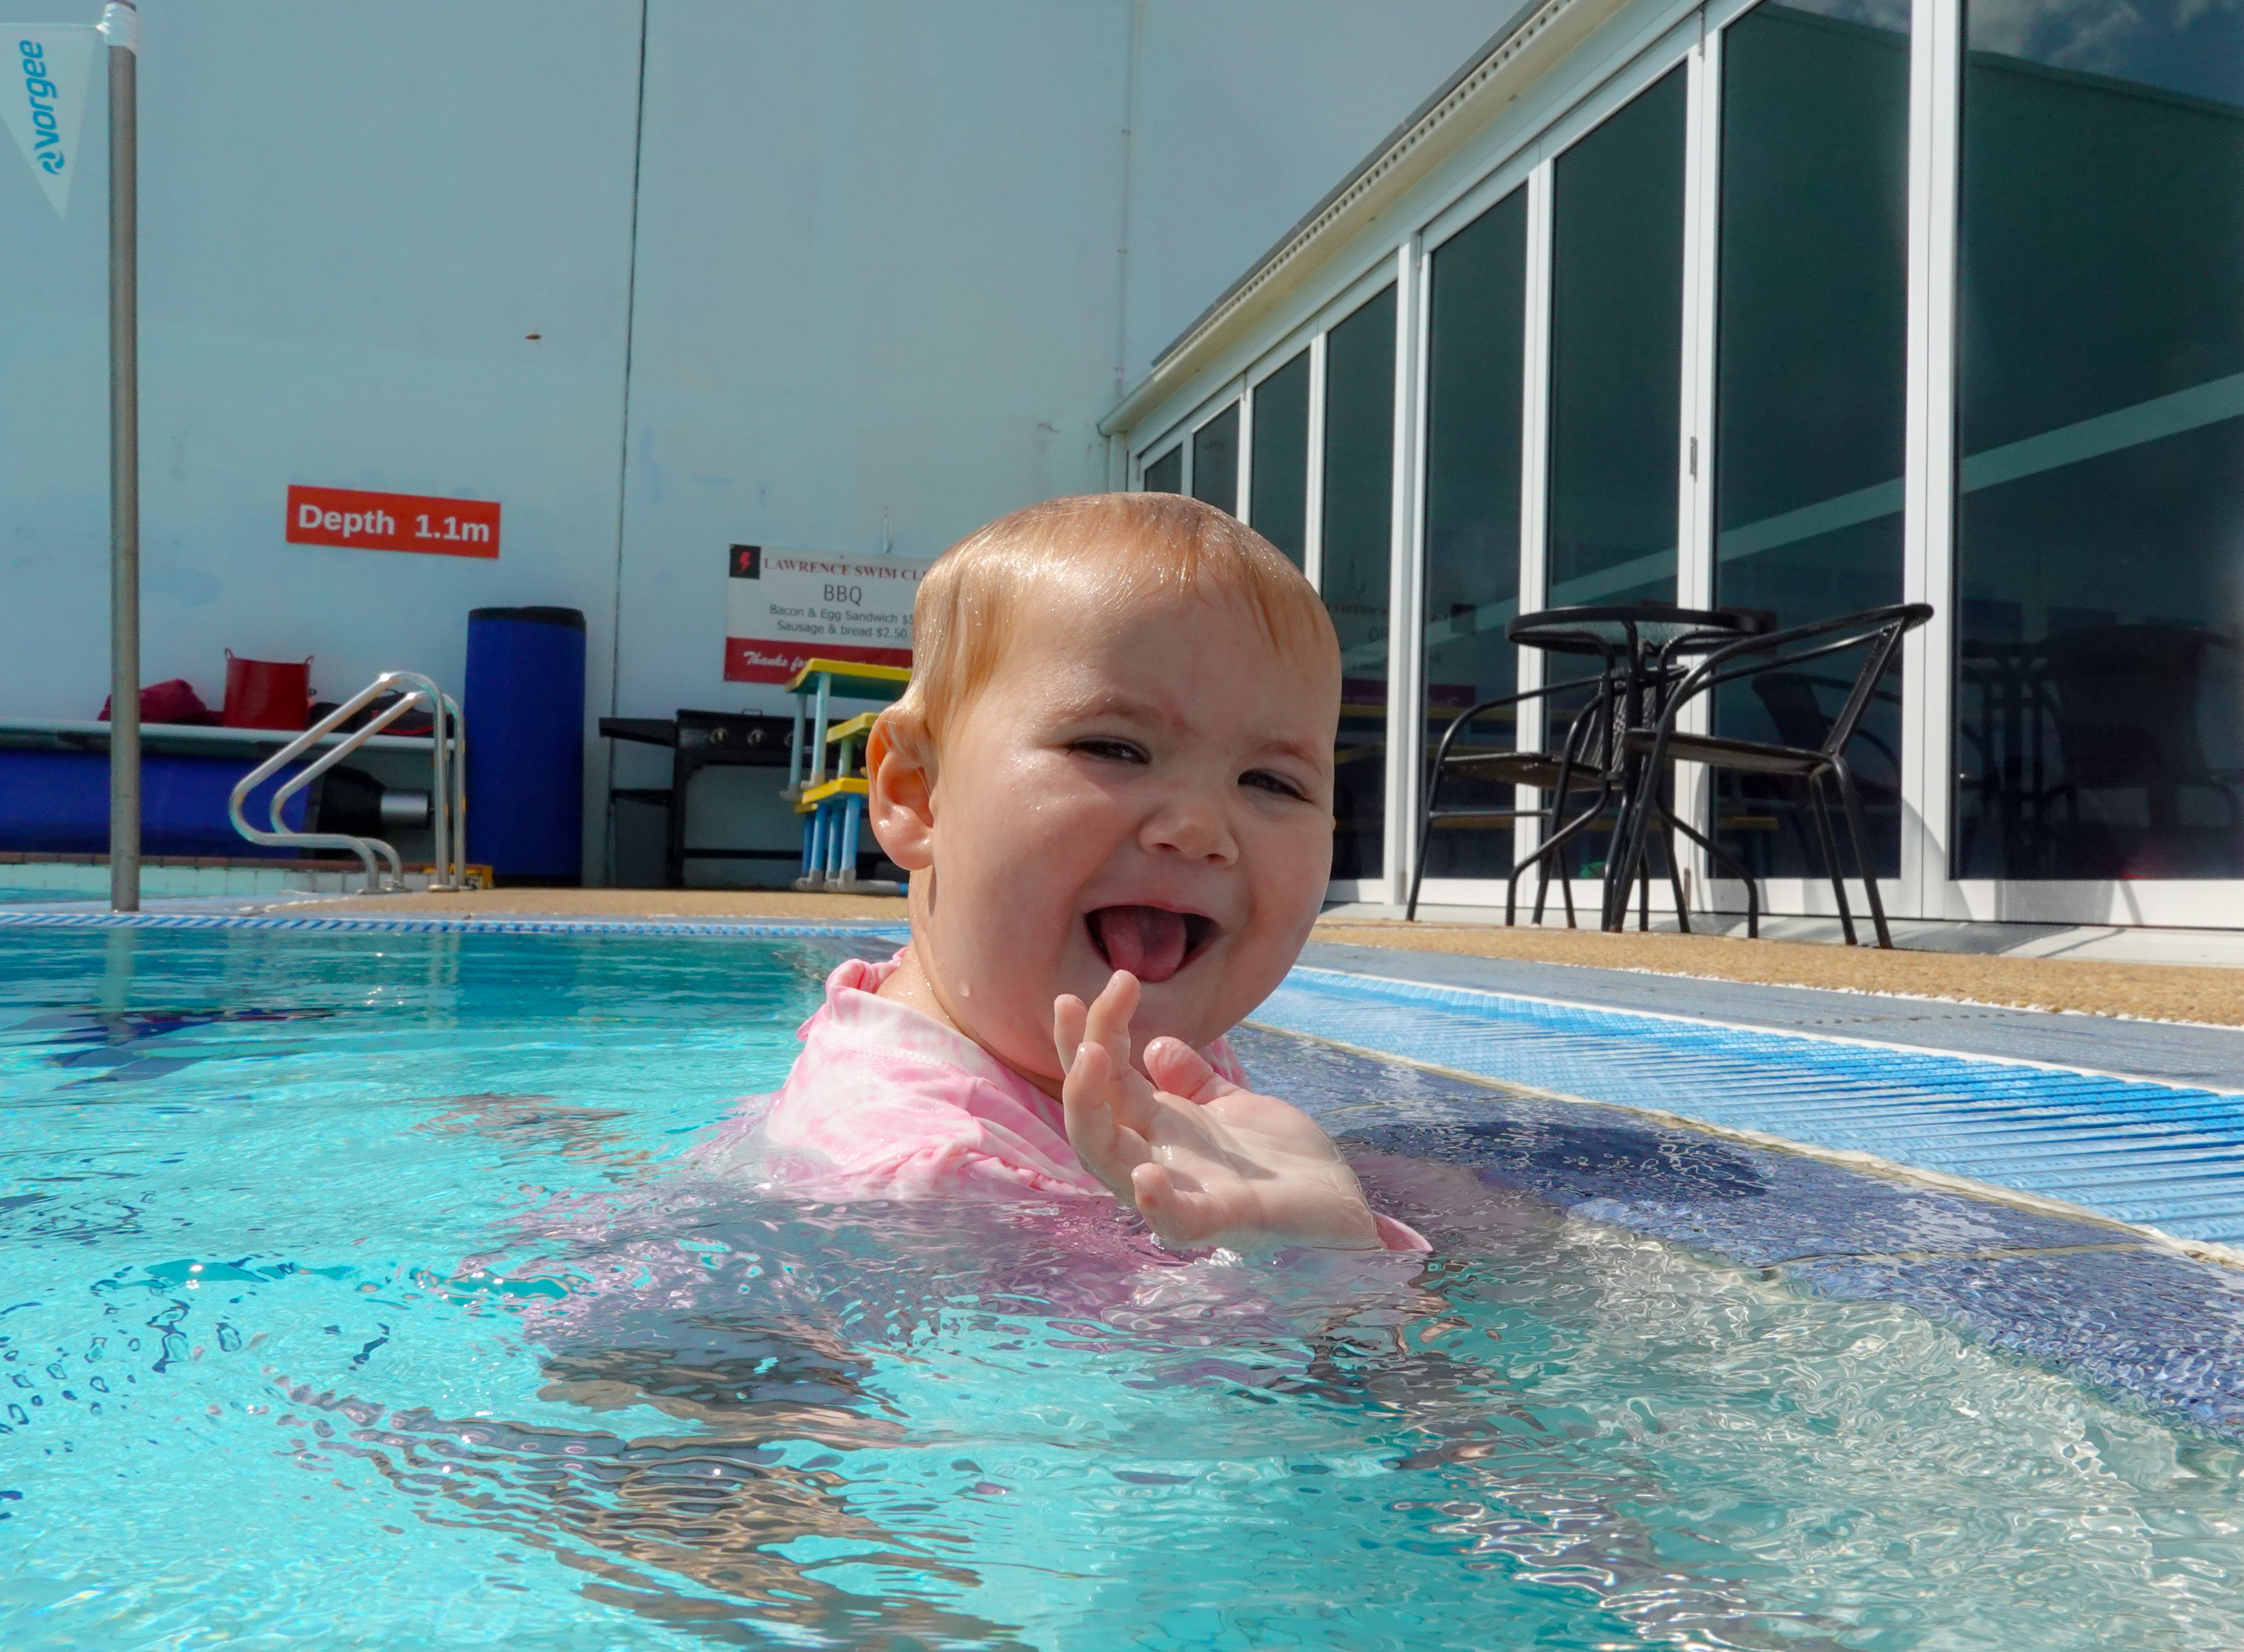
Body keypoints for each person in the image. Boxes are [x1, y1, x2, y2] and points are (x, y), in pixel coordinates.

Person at [698, 492, 1426, 1253]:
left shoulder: (1109, 1028)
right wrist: (1315, 1260)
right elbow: (1160, 1370)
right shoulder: (927, 1190)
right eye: (1113, 749)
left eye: (1272, 782)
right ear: (917, 795)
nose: (1201, 830)